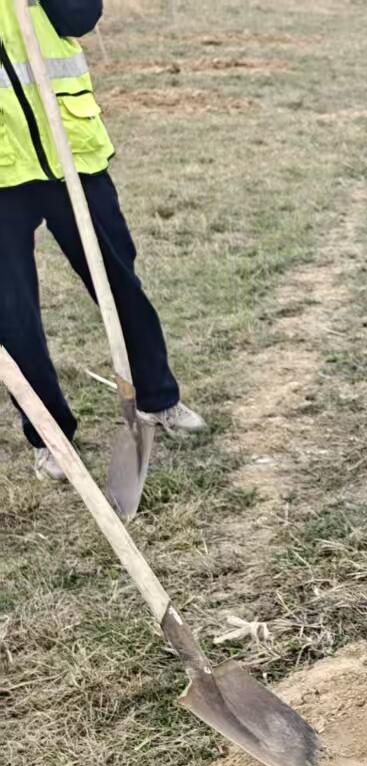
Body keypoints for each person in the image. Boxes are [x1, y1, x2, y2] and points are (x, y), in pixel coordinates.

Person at [2, 0, 204, 482]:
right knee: (11, 315)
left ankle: (157, 398)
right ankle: (50, 436)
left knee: (118, 281)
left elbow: (81, 16)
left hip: (70, 146)